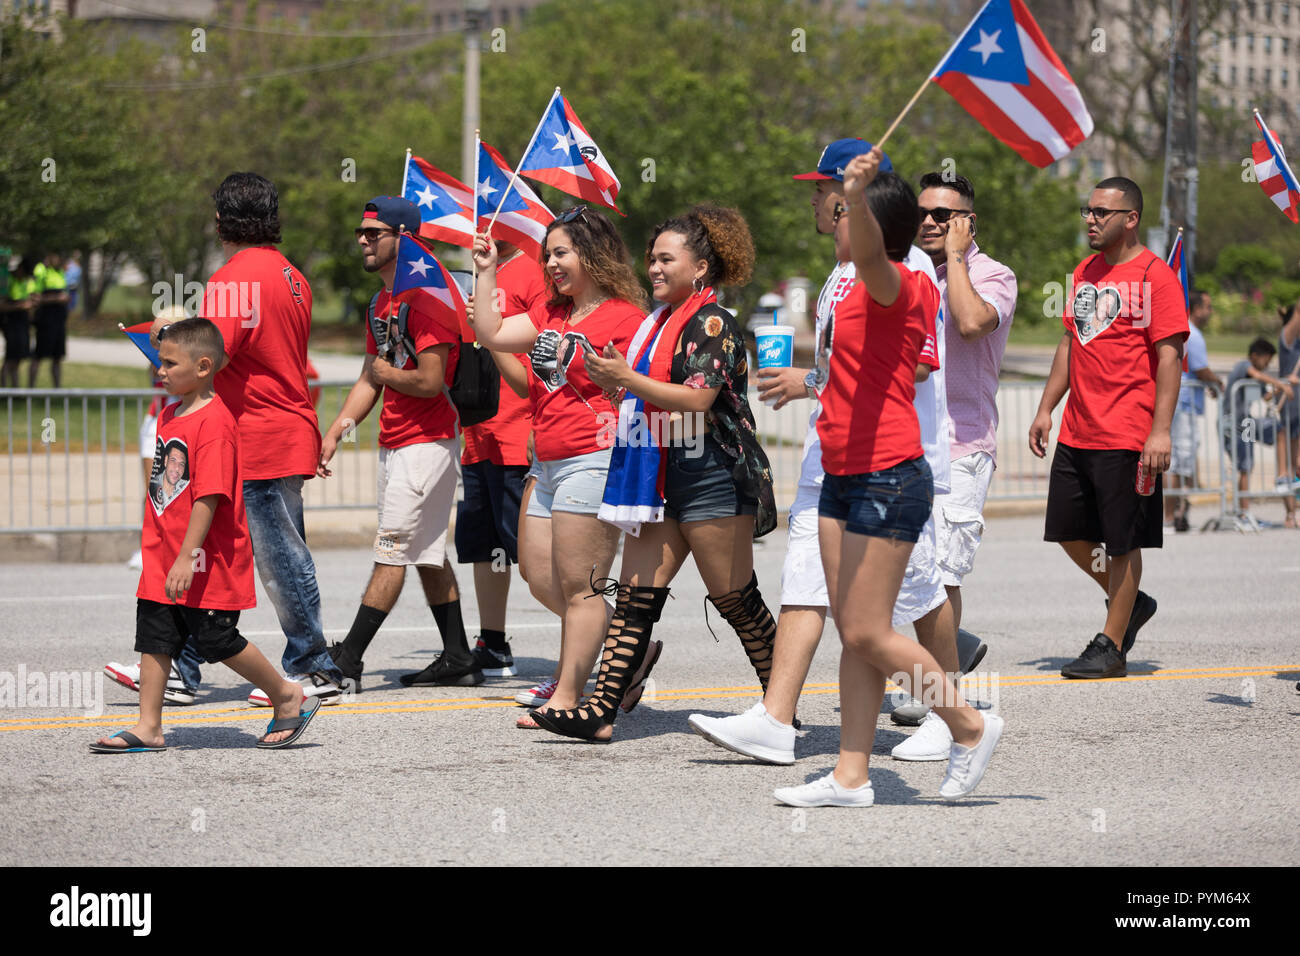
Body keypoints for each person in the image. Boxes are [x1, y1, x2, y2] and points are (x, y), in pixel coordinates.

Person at [687, 140, 982, 766]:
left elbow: (918, 371)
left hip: (895, 459)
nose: (815, 199)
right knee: (805, 581)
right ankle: (776, 717)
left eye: (824, 188)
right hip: (834, 454)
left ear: (856, 202)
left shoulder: (908, 272)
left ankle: (950, 711)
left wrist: (809, 382)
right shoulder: (836, 274)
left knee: (915, 598)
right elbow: (843, 366)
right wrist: (813, 380)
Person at [771, 149, 1001, 806]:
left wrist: (857, 192)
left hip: (888, 476)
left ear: (873, 222)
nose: (834, 219)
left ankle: (969, 724)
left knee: (871, 630)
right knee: (855, 630)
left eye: (844, 213)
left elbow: (872, 250)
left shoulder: (900, 280)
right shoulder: (848, 281)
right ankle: (850, 774)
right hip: (842, 473)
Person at [528, 204, 779, 743]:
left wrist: (626, 379)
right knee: (638, 596)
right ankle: (600, 711)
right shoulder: (654, 324)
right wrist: (616, 384)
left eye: (668, 259)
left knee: (736, 599)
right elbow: (650, 402)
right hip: (662, 475)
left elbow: (698, 399)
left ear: (701, 268)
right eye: (652, 259)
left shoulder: (714, 322)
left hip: (713, 473)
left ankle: (779, 708)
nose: (655, 269)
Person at [113, 173, 345, 705]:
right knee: (218, 557)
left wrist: (161, 336)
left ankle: (314, 668)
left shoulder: (233, 279)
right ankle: (181, 668)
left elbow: (209, 356)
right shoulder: (292, 275)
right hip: (281, 429)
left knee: (279, 558)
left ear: (222, 220)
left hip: (258, 435)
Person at [91, 318, 322, 752]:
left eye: (168, 363)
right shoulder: (169, 414)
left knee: (216, 637)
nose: (159, 371)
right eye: (159, 362)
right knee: (155, 634)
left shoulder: (215, 423)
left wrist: (186, 555)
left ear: (202, 367)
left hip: (203, 558)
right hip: (164, 552)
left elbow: (209, 496)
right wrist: (164, 549)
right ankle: (148, 727)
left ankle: (287, 695)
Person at [470, 206, 646, 720]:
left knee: (580, 588)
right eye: (547, 255)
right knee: (538, 576)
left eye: (560, 253)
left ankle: (569, 697)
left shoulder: (624, 317)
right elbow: (492, 333)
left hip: (593, 459)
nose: (550, 264)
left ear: (592, 254)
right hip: (545, 462)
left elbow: (641, 388)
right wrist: (484, 271)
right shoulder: (553, 314)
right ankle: (625, 650)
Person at [317, 197, 479, 689]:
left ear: (404, 239)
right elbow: (370, 377)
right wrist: (337, 428)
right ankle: (458, 657)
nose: (363, 240)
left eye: (374, 232)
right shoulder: (380, 301)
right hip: (399, 442)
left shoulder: (428, 298)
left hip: (428, 444)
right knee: (428, 553)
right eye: (361, 232)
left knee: (391, 549)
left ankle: (348, 660)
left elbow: (430, 381)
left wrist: (389, 373)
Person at [1029, 177, 1188, 678]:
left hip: (1129, 435)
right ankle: (1129, 601)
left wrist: (1159, 431)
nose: (1092, 219)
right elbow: (1070, 344)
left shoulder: (1155, 277)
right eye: (1088, 210)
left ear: (1131, 218)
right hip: (1079, 430)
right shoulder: (1084, 271)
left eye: (1103, 212)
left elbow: (1170, 357)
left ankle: (1111, 644)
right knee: (1069, 534)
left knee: (1123, 543)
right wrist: (1045, 407)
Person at [455, 240, 548, 677]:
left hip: (517, 432)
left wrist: (534, 424)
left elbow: (541, 362)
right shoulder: (480, 271)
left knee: (530, 554)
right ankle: (492, 642)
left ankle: (602, 640)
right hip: (478, 434)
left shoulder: (535, 271)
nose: (483, 225)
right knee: (484, 547)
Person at [1166, 291, 1223, 532]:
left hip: (1181, 405)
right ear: (1196, 308)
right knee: (1179, 462)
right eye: (1208, 307)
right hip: (1183, 406)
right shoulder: (1193, 334)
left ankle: (1176, 512)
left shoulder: (1183, 330)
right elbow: (1201, 370)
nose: (1210, 312)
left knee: (1179, 462)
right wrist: (1218, 384)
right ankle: (1170, 515)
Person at [1222, 338, 1295, 519]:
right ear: (1255, 356)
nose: (1267, 365)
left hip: (1247, 424)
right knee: (1245, 466)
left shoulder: (1259, 375)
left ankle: (1282, 476)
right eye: (1266, 360)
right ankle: (1244, 514)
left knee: (1278, 429)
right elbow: (1255, 374)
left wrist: (1286, 383)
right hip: (1232, 424)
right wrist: (1279, 383)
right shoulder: (1243, 366)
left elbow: (1267, 397)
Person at [29, 252, 70, 388]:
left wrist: (64, 299)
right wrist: (55, 299)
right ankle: (31, 389)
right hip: (46, 320)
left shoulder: (59, 272)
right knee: (38, 355)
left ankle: (57, 389)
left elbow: (65, 292)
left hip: (59, 319)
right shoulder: (41, 270)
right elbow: (35, 297)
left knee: (57, 357)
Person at [1276, 303, 1300, 525]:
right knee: (1287, 465)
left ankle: (1296, 510)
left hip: (1298, 408)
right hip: (1287, 407)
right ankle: (1290, 513)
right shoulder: (1288, 340)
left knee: (1298, 463)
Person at [2, 256, 36, 389]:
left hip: (22, 323)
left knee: (18, 358)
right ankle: (4, 388)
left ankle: (15, 389)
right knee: (10, 357)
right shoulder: (8, 281)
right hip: (11, 322)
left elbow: (30, 299)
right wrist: (21, 306)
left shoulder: (25, 282)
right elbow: (3, 305)